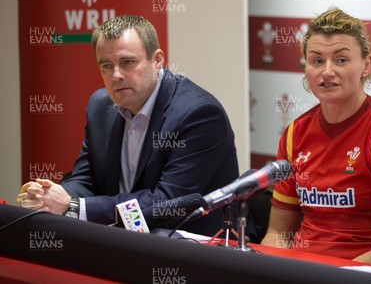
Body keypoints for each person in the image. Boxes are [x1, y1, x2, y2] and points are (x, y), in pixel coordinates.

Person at [17, 15, 240, 236]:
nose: (116, 75)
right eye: (106, 65)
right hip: (123, 241)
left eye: (127, 62)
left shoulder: (198, 114)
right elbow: (86, 178)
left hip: (196, 251)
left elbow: (166, 204)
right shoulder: (100, 106)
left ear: (158, 60)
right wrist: (52, 195)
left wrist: (74, 206)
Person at [260, 7, 371, 267]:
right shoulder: (295, 133)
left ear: (367, 65)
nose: (327, 71)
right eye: (317, 61)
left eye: (341, 60)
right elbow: (278, 234)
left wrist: (327, 277)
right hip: (298, 272)